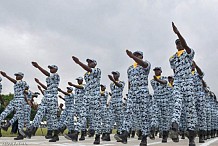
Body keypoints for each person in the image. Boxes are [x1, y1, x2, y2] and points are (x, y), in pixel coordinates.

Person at [114, 50, 151, 146]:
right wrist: (129, 92)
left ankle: (144, 137)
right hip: (132, 92)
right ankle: (124, 134)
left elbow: (143, 64)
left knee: (144, 115)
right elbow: (129, 81)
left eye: (138, 55)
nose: (135, 57)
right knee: (128, 112)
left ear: (141, 56)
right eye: (135, 55)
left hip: (142, 91)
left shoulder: (146, 64)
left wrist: (132, 56)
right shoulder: (130, 69)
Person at [169, 22, 196, 146]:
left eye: (180, 42)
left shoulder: (188, 53)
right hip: (178, 82)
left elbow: (186, 45)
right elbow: (174, 70)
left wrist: (178, 33)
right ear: (175, 46)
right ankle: (174, 128)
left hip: (188, 83)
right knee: (177, 103)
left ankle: (191, 138)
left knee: (190, 109)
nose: (179, 44)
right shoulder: (172, 59)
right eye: (177, 43)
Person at [64, 56, 102, 144]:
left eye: (91, 62)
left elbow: (89, 69)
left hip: (95, 97)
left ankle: (97, 136)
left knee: (96, 117)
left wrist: (79, 62)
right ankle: (76, 134)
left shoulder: (97, 70)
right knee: (82, 115)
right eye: (88, 62)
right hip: (86, 97)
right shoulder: (86, 75)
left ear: (95, 64)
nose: (89, 63)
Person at [23, 62, 60, 142]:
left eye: (52, 68)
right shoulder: (49, 78)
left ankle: (55, 135)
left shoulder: (56, 75)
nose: (50, 69)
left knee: (52, 118)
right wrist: (39, 83)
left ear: (56, 69)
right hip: (46, 98)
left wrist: (38, 66)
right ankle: (31, 131)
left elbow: (47, 74)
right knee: (39, 113)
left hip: (52, 99)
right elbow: (47, 87)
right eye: (49, 68)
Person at [0, 71, 27, 140]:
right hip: (14, 100)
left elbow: (15, 81)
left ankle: (20, 134)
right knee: (5, 112)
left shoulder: (23, 82)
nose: (16, 76)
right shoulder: (17, 84)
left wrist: (6, 76)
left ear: (21, 77)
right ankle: (6, 125)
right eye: (16, 75)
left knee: (20, 117)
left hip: (20, 100)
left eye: (18, 75)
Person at [150, 67, 170, 143]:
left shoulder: (165, 78)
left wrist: (157, 80)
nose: (156, 71)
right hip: (156, 100)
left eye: (158, 70)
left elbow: (164, 82)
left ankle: (164, 136)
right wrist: (157, 80)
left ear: (161, 71)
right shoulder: (152, 81)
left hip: (164, 100)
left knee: (165, 119)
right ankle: (152, 129)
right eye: (155, 70)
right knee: (154, 115)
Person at [108, 71, 125, 139]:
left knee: (119, 118)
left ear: (118, 75)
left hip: (118, 102)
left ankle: (120, 133)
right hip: (112, 102)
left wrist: (113, 80)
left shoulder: (122, 82)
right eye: (113, 74)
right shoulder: (111, 84)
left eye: (115, 74)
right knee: (110, 117)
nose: (114, 75)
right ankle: (107, 133)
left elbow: (119, 86)